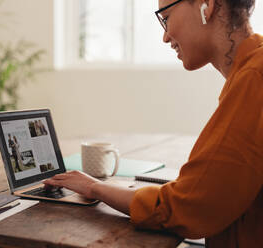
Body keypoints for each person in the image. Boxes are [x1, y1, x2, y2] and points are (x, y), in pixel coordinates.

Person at [44, 0, 262, 247]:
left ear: (207, 5)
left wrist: (95, 188)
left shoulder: (255, 78)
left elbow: (186, 208)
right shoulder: (250, 72)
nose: (165, 36)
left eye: (166, 17)